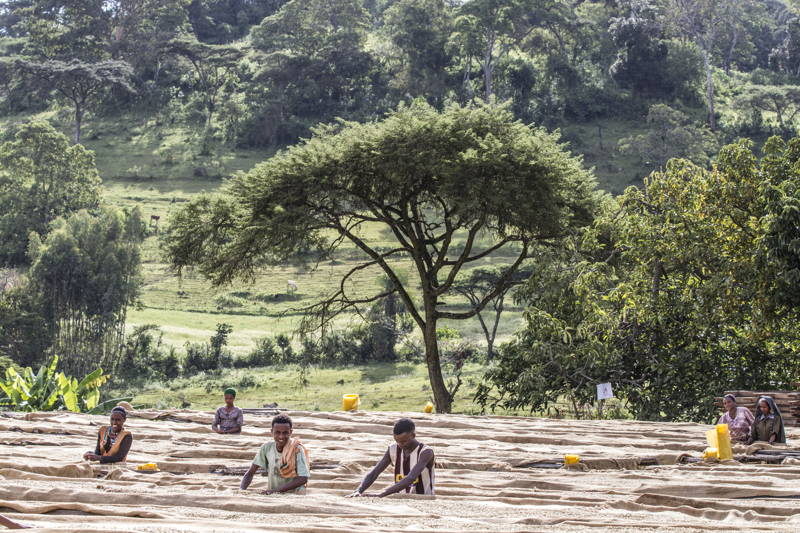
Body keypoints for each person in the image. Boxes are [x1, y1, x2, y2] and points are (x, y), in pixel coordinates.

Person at [347, 418, 435, 498]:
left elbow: (411, 478)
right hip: (400, 499)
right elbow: (374, 472)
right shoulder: (393, 449)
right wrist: (359, 490)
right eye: (397, 441)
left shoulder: (426, 452)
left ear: (413, 435)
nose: (400, 445)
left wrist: (383, 493)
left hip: (424, 498)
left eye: (404, 441)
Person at [240, 414, 310, 494]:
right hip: (273, 494)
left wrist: (275, 491)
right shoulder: (266, 448)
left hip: (293, 494)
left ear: (290, 432)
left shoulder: (297, 449)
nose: (281, 436)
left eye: (285, 433)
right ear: (272, 432)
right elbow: (250, 473)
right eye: (277, 432)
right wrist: (241, 490)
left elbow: (303, 478)